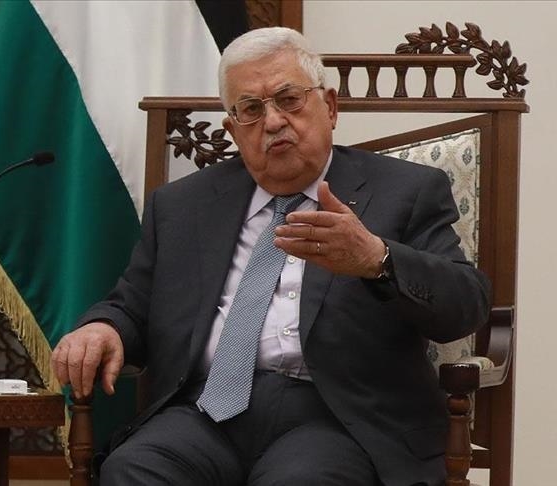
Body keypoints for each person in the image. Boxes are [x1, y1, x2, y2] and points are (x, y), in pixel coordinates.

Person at [51, 27, 490, 486]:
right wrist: (103, 327)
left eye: (289, 99)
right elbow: (132, 304)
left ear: (330, 107)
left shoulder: (406, 191)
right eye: (251, 109)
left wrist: (376, 259)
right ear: (233, 130)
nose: (274, 121)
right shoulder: (182, 205)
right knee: (132, 470)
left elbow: (466, 305)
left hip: (336, 418)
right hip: (204, 413)